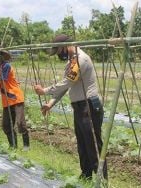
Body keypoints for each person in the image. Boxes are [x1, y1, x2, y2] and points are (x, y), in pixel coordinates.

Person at [34, 34, 107, 179]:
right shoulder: (71, 62)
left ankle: (102, 179)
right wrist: (50, 103)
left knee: (93, 143)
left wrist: (45, 91)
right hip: (79, 107)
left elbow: (67, 82)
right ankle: (86, 175)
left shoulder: (81, 60)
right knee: (82, 142)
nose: (59, 54)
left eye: (59, 50)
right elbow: (66, 86)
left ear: (65, 46)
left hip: (89, 106)